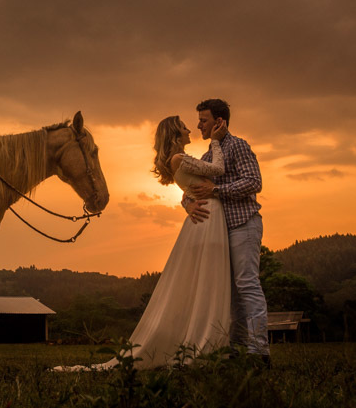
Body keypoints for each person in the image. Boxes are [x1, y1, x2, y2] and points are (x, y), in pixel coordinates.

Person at [53, 115, 231, 371]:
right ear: (175, 134)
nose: (189, 129)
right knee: (209, 279)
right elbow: (218, 170)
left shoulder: (179, 161)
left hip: (204, 214)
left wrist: (188, 202)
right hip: (209, 217)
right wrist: (215, 142)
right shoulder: (179, 159)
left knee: (208, 279)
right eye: (183, 127)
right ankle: (207, 343)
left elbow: (189, 189)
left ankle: (210, 339)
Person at [182, 98, 270, 365]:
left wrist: (217, 190)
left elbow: (254, 182)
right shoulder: (208, 157)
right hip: (219, 234)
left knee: (247, 285)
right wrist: (188, 205)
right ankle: (239, 349)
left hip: (243, 224)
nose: (198, 125)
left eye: (204, 120)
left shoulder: (239, 146)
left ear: (220, 122)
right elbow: (190, 190)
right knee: (230, 292)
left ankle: (259, 352)